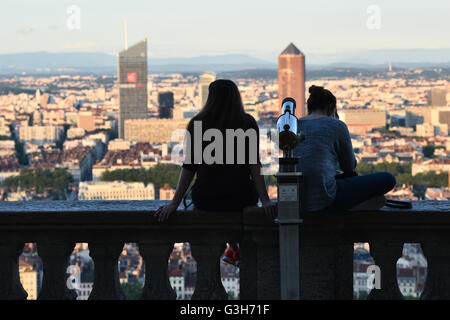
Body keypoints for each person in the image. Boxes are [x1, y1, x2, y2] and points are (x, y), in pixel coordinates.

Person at [155, 79, 277, 264]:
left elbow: (189, 167)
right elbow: (254, 165)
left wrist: (174, 203)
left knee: (217, 200)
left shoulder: (198, 123)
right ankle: (234, 250)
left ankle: (233, 250)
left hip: (206, 197)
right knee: (237, 199)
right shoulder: (247, 122)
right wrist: (266, 201)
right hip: (241, 196)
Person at [293, 85, 396, 212]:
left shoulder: (293, 125)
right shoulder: (336, 125)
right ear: (331, 107)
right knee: (388, 178)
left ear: (309, 107)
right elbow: (349, 166)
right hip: (324, 195)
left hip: (294, 197)